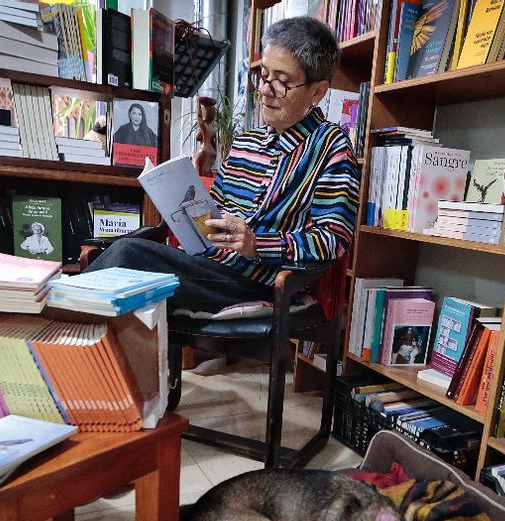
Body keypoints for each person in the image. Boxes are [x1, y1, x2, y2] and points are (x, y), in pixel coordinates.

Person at [88, 17, 359, 314]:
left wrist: (256, 243)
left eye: (281, 82)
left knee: (129, 256)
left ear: (317, 92)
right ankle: (75, 340)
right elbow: (211, 211)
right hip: (208, 266)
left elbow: (333, 240)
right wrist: (180, 205)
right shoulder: (246, 142)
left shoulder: (331, 145)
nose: (265, 90)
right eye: (263, 76)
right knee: (119, 256)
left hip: (258, 280)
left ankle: (58, 329)